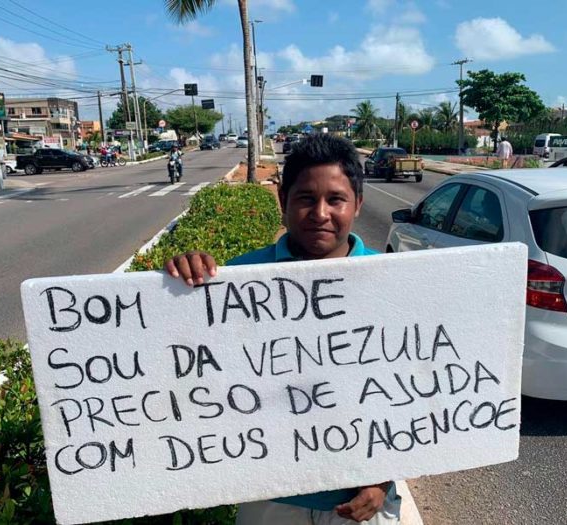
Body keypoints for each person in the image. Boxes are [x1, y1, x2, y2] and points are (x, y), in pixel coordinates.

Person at [165, 134, 401, 525]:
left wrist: (382, 481)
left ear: (358, 204)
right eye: (306, 198)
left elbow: (416, 394)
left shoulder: (396, 282)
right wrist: (181, 282)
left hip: (364, 502)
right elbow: (189, 362)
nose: (320, 212)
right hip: (270, 499)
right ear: (283, 201)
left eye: (336, 199)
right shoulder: (236, 279)